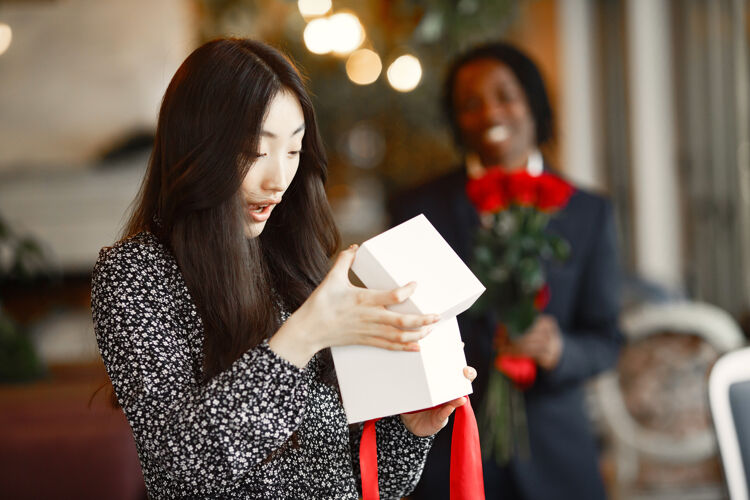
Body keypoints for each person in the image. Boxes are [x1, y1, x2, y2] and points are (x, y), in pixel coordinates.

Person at [91, 38, 476, 500]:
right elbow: (180, 470)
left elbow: (366, 486)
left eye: (293, 151)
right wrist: (303, 336)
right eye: (257, 149)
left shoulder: (294, 261)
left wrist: (410, 431)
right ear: (197, 146)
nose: (278, 180)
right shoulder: (136, 275)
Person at [389, 41, 623, 499]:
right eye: (470, 104)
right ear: (456, 120)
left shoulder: (589, 213)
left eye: (505, 95)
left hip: (559, 459)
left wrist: (560, 351)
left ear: (533, 102)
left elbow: (607, 339)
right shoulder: (416, 209)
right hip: (450, 459)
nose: (489, 112)